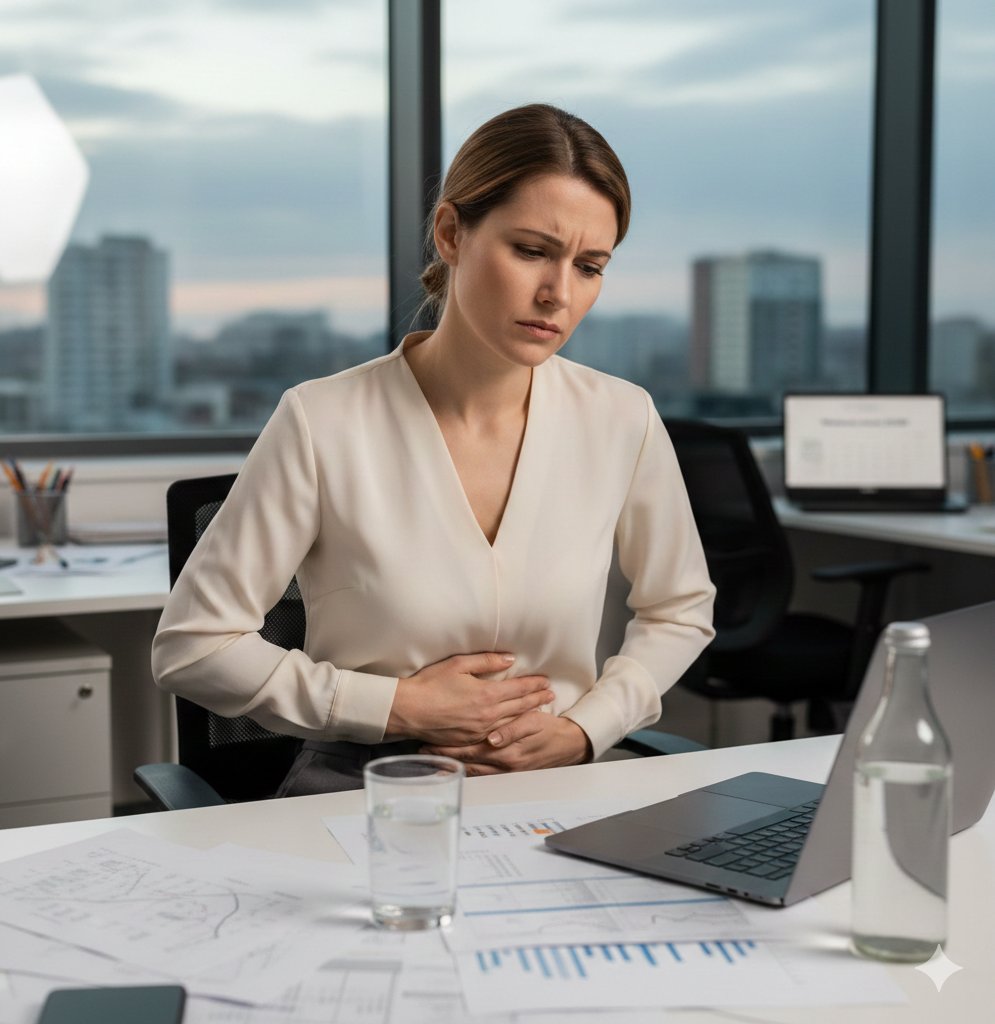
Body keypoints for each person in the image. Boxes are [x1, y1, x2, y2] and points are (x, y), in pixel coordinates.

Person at [151, 103, 715, 796]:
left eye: (590, 266)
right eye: (532, 250)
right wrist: (397, 706)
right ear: (451, 233)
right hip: (363, 789)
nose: (558, 294)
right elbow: (192, 645)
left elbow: (680, 609)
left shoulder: (622, 418)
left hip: (549, 787)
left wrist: (587, 726)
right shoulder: (321, 420)